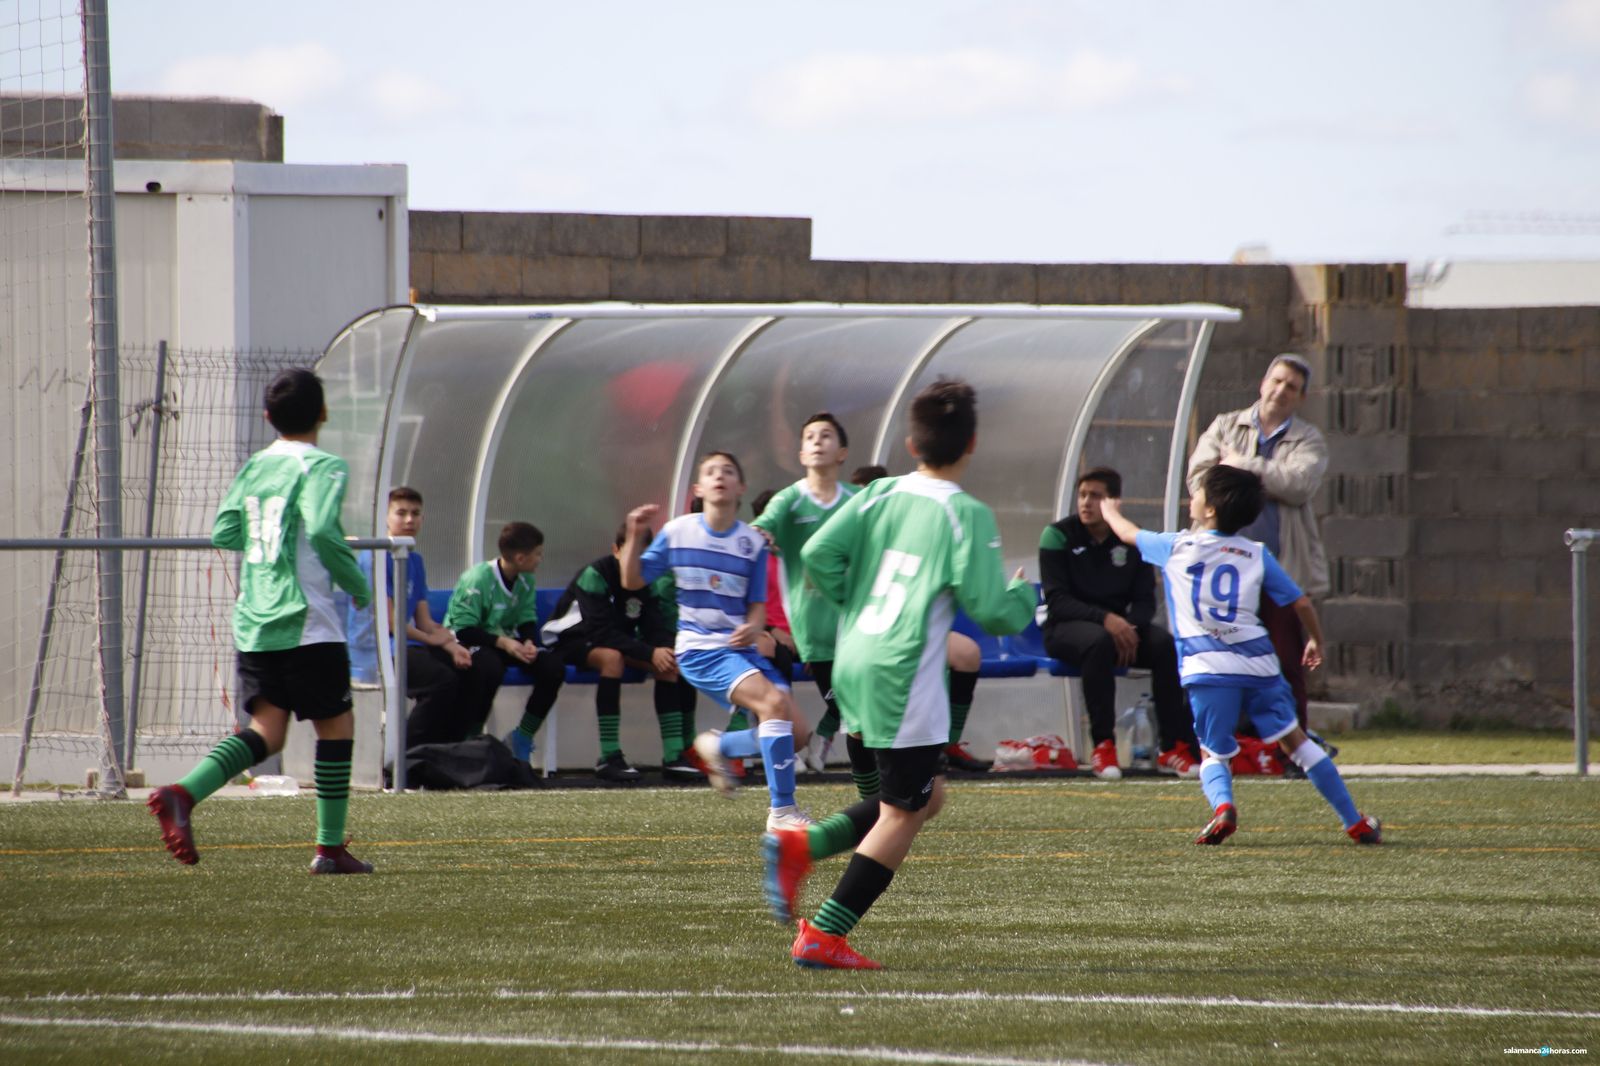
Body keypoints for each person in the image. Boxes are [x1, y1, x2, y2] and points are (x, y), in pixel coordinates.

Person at [764, 378, 1038, 969]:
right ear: (972, 444)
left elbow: (816, 555)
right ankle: (824, 934)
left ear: (911, 444)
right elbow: (992, 610)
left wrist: (854, 604)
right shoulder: (965, 513)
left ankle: (805, 846)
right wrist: (1023, 598)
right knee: (904, 812)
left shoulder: (878, 492)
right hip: (903, 673)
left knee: (924, 794)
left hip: (856, 655)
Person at [147, 367, 375, 874]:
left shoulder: (256, 466)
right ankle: (329, 848)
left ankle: (184, 792)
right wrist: (357, 585)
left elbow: (226, 529)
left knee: (267, 731)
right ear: (323, 413)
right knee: (336, 726)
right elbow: (319, 527)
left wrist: (267, 535)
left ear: (268, 417)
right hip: (307, 619)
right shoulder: (323, 465)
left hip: (255, 618)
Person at [1098, 464, 1380, 847]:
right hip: (1259, 665)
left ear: (1209, 509)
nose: (1192, 498)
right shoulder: (1255, 552)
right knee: (1297, 743)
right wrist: (1316, 640)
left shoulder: (1177, 546)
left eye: (1197, 492)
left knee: (1213, 750)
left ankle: (1224, 807)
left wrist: (1109, 509)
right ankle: (1354, 821)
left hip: (1207, 667)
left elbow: (1128, 533)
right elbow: (1300, 601)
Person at [619, 450, 814, 831]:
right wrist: (632, 534)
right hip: (700, 650)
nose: (719, 476)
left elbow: (757, 608)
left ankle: (718, 746)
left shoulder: (752, 542)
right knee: (773, 704)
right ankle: (783, 812)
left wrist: (753, 627)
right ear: (699, 488)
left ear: (741, 486)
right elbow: (632, 581)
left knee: (799, 734)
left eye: (728, 470)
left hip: (741, 651)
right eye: (711, 471)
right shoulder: (678, 532)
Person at [1186, 354, 1328, 730]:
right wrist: (1258, 476)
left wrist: (1240, 465)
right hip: (1223, 571)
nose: (1281, 391)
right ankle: (1226, 746)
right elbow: (1200, 479)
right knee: (1220, 660)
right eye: (1277, 381)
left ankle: (1293, 751)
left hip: (1277, 569)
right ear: (1263, 383)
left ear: (1300, 398)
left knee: (1284, 661)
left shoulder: (1308, 439)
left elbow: (1298, 485)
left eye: (1292, 387)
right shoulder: (1224, 426)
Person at [1039, 467, 1200, 779]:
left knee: (1164, 646)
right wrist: (1107, 620)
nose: (1085, 502)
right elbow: (1057, 600)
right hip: (1066, 628)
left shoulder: (1131, 537)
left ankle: (1171, 748)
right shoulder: (1058, 535)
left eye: (1095, 496)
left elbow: (1144, 601)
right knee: (1097, 642)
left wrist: (1129, 626)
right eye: (1082, 495)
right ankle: (1103, 746)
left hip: (1119, 631)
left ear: (1114, 503)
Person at [849, 463, 989, 774]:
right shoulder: (850, 534)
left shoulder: (907, 526)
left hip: (905, 629)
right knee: (908, 804)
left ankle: (946, 744)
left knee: (966, 652)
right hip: (858, 636)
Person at [542, 522, 702, 783]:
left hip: (613, 640)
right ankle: (609, 756)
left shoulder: (644, 580)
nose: (637, 562)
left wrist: (661, 649)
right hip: (570, 639)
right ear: (616, 550)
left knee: (669, 662)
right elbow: (599, 632)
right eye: (631, 553)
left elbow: (654, 624)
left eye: (644, 555)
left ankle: (674, 755)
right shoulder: (596, 574)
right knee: (612, 659)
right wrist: (648, 652)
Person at [751, 414, 857, 776]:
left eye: (826, 435)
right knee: (847, 706)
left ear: (841, 452)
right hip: (813, 628)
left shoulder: (858, 500)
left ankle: (871, 781)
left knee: (861, 704)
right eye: (809, 436)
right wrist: (759, 533)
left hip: (857, 619)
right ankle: (817, 745)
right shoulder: (790, 500)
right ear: (800, 454)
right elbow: (762, 525)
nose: (817, 441)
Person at [353, 487, 475, 749]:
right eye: (401, 513)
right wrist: (434, 640)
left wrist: (452, 645)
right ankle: (405, 756)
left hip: (401, 643)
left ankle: (449, 749)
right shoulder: (375, 557)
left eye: (416, 514)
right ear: (385, 518)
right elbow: (390, 623)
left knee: (472, 669)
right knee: (440, 681)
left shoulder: (415, 560)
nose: (409, 520)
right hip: (375, 650)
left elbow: (424, 622)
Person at [442, 521, 566, 761]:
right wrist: (506, 643)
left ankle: (522, 737)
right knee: (489, 669)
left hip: (504, 642)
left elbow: (526, 617)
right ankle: (470, 740)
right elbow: (464, 629)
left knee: (553, 668)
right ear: (520, 558)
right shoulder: (477, 579)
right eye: (538, 554)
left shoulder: (526, 579)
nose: (540, 559)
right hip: (468, 642)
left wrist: (529, 642)